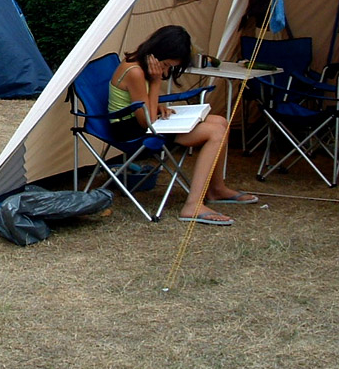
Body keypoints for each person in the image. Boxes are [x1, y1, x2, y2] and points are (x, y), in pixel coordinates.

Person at [108, 25, 257, 226]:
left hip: (142, 122)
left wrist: (158, 103)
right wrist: (155, 82)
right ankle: (193, 205)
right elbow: (147, 121)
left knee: (221, 121)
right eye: (167, 65)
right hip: (131, 130)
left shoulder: (142, 63)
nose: (167, 71)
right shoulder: (135, 71)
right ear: (158, 53)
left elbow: (140, 105)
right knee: (215, 132)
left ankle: (216, 189)